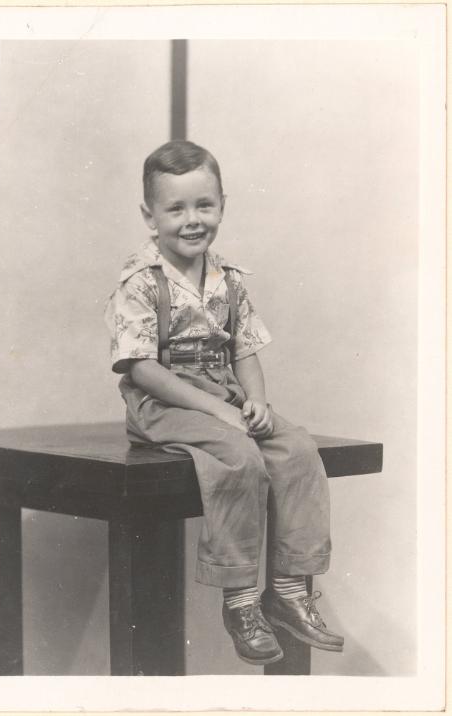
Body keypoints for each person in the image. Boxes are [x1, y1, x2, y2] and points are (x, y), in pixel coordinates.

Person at [104, 140, 344, 666]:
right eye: (176, 208)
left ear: (222, 205)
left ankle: (286, 592)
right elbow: (142, 368)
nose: (193, 220)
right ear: (150, 215)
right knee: (238, 455)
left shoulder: (228, 279)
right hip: (163, 401)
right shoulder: (140, 282)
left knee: (298, 449)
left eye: (204, 206)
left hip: (225, 394)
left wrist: (254, 400)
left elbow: (245, 350)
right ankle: (239, 600)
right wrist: (220, 413)